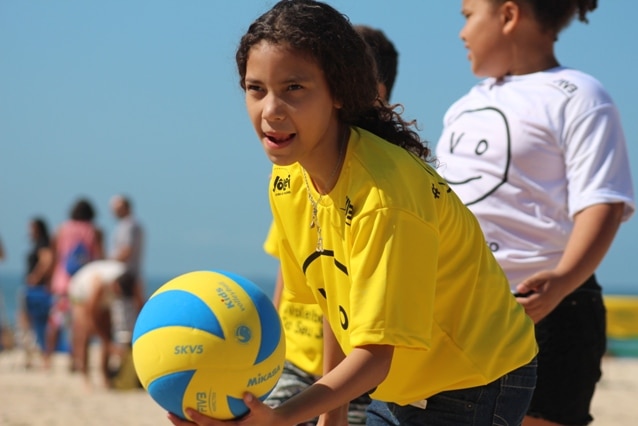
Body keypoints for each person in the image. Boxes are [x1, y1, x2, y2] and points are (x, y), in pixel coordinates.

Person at [169, 1, 538, 425]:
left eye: (294, 88)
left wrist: (280, 417)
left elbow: (375, 356)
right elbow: (335, 303)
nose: (270, 110)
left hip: (474, 378)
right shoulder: (289, 180)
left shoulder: (384, 196)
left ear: (338, 92)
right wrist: (333, 413)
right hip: (400, 380)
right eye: (256, 89)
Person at [434, 1, 635, 425]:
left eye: (468, 16)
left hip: (548, 309)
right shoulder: (464, 106)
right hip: (463, 311)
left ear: (508, 15)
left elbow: (603, 201)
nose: (461, 33)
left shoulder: (579, 95)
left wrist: (561, 282)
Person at [264, 23, 399, 426]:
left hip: (355, 370)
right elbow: (290, 275)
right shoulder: (294, 168)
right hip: (295, 354)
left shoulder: (383, 182)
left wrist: (332, 406)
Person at [45, 198, 104, 375]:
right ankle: (76, 360)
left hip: (62, 282)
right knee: (79, 325)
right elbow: (99, 257)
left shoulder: (61, 229)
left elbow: (53, 257)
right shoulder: (94, 231)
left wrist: (49, 279)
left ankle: (48, 358)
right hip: (83, 285)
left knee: (56, 322)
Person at [69, 260, 143, 388]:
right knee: (85, 333)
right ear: (115, 285)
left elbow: (140, 306)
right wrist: (109, 345)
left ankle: (105, 376)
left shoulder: (131, 281)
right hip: (80, 292)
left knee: (107, 332)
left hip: (103, 293)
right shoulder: (99, 284)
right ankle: (85, 376)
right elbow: (91, 315)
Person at [16, 217, 54, 368]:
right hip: (36, 289)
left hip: (37, 290)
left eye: (31, 227)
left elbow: (47, 261)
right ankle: (33, 356)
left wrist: (35, 277)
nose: (28, 231)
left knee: (33, 323)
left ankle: (38, 356)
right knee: (32, 323)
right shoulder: (39, 243)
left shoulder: (43, 244)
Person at [109, 194, 144, 283]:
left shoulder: (129, 225)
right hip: (126, 273)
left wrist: (107, 261)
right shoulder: (127, 225)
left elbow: (127, 251)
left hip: (125, 275)